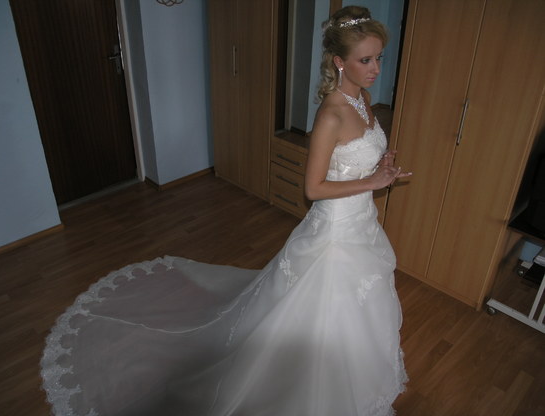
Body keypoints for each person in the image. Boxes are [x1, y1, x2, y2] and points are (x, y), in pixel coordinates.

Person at [40, 6, 409, 416]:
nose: (376, 69)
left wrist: (378, 167)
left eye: (378, 58)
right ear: (340, 62)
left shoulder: (364, 101)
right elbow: (314, 188)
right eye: (365, 60)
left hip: (361, 223)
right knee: (321, 310)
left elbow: (351, 163)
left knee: (356, 310)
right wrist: (372, 183)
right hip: (335, 232)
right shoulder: (331, 114)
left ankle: (353, 372)